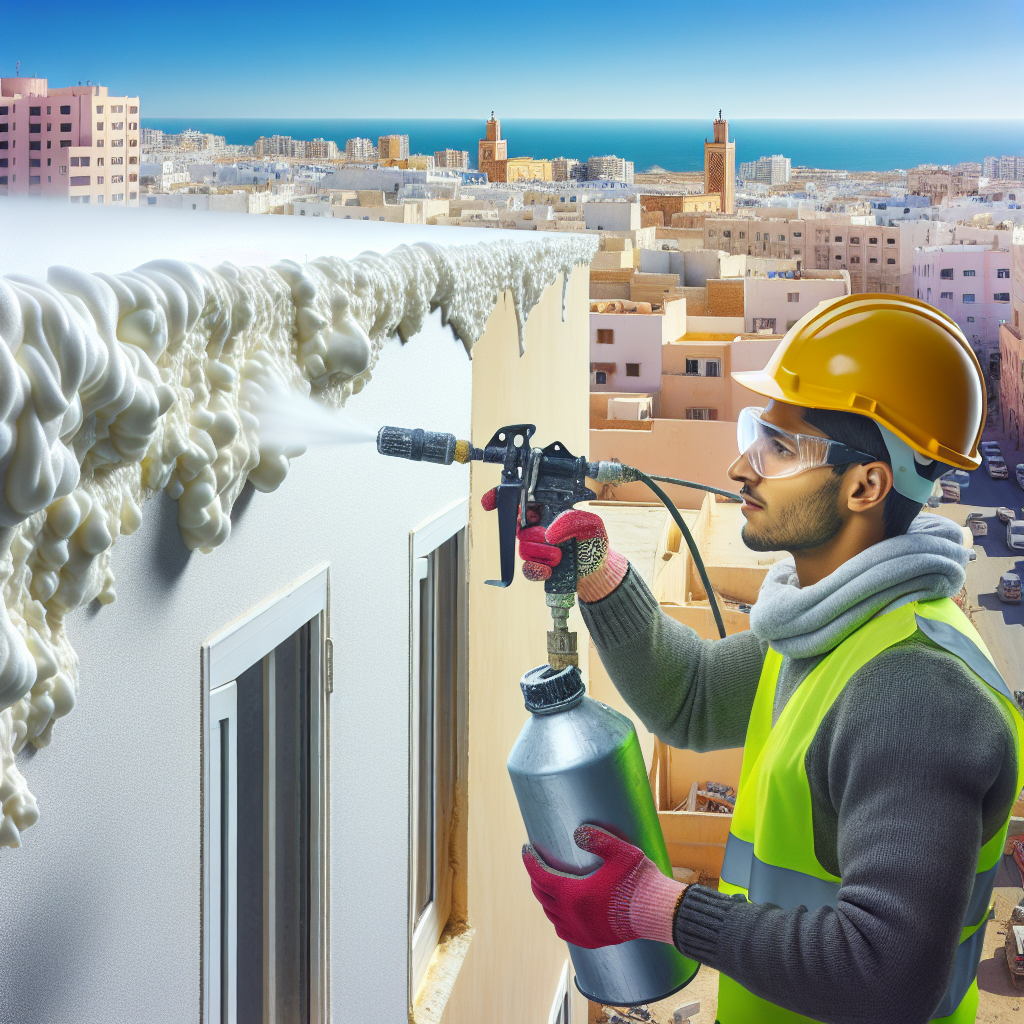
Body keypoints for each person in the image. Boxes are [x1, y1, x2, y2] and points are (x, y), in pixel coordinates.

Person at [497, 295, 1024, 1024]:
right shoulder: (832, 632)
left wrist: (659, 908)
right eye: (757, 435)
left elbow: (887, 972)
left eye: (778, 445)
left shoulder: (915, 692)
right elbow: (691, 695)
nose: (741, 466)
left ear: (865, 484)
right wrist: (598, 571)